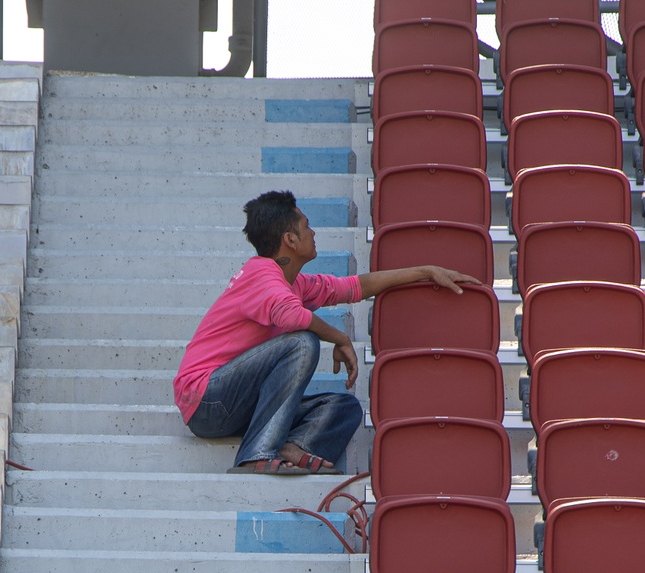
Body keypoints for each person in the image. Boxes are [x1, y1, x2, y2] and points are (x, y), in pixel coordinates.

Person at [174, 189, 482, 474]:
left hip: (241, 405)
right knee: (302, 343)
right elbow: (293, 317)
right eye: (306, 227)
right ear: (290, 240)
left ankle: (295, 446)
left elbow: (354, 287)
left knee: (343, 407)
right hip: (207, 400)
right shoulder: (260, 273)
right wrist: (340, 338)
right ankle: (257, 455)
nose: (313, 233)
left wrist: (425, 271)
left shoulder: (293, 283)